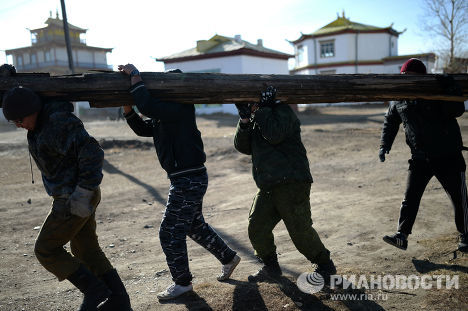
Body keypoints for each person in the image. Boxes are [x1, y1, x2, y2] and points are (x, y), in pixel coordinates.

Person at [1, 83, 131, 310]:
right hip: (77, 194)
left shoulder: (56, 123)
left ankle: (93, 289)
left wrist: (83, 191)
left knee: (46, 249)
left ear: (31, 111)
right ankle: (119, 301)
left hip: (75, 196)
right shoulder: (40, 121)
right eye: (15, 123)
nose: (19, 126)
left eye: (19, 121)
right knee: (86, 249)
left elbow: (92, 152)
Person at [118, 64, 241, 300]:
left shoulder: (180, 107)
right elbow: (144, 129)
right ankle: (228, 257)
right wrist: (127, 107)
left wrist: (135, 77)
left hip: (189, 179)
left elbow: (147, 105)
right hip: (186, 178)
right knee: (194, 226)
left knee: (169, 232)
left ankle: (182, 283)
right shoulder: (165, 114)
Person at [233, 86, 336, 283]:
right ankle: (271, 267)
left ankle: (325, 266)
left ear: (263, 101)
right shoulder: (258, 117)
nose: (252, 106)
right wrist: (244, 120)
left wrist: (262, 109)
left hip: (292, 181)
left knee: (300, 230)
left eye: (253, 103)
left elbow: (275, 134)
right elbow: (243, 147)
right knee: (257, 227)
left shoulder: (283, 112)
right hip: (268, 185)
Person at [380, 58, 468, 252]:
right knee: (410, 197)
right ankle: (401, 236)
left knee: (459, 198)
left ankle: (466, 235)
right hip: (420, 157)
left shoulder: (436, 90)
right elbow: (390, 121)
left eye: (412, 77)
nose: (407, 80)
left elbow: (457, 110)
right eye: (404, 76)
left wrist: (451, 88)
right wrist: (384, 144)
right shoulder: (399, 97)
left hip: (448, 155)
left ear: (422, 77)